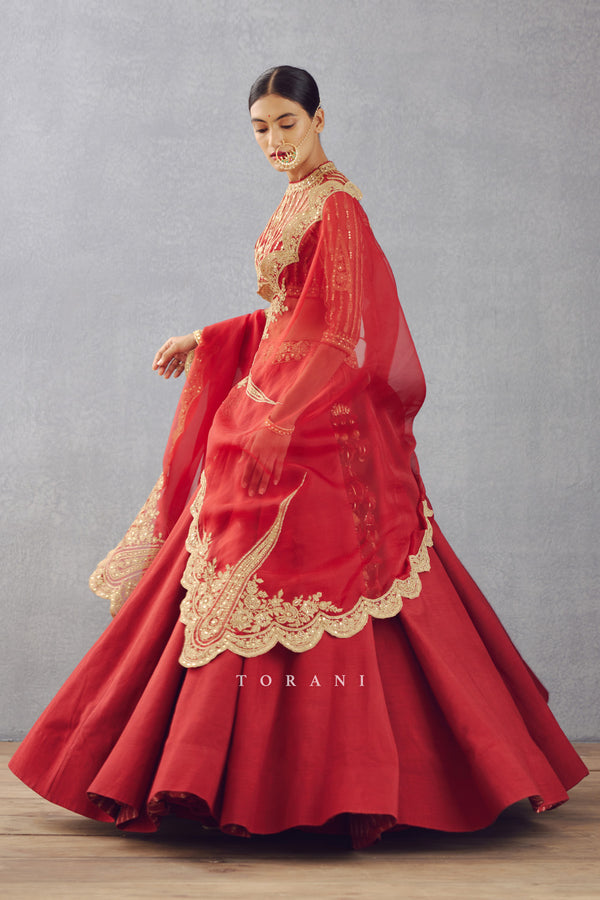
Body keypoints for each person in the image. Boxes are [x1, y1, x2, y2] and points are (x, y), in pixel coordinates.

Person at [9, 65, 588, 851]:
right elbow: (290, 315)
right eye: (261, 128)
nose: (275, 140)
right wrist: (207, 337)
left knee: (327, 579)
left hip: (317, 424)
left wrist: (282, 416)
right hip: (275, 398)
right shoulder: (296, 196)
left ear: (319, 119)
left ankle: (344, 781)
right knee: (223, 568)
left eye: (287, 123)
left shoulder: (337, 205)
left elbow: (340, 332)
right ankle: (224, 773)